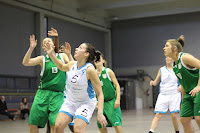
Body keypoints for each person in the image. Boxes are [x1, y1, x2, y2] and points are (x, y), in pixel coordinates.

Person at [43, 42, 107, 133]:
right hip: (70, 102)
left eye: (80, 47)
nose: (76, 48)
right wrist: (51, 54)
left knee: (78, 130)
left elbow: (100, 93)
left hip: (85, 103)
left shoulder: (90, 69)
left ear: (86, 54)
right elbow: (61, 66)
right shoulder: (72, 64)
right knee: (58, 126)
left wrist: (100, 114)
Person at [22, 28, 69, 133]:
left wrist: (57, 37)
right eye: (44, 42)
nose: (46, 42)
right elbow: (25, 62)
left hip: (57, 95)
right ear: (43, 47)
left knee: (55, 125)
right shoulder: (42, 59)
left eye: (49, 41)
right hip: (42, 93)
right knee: (33, 123)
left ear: (53, 45)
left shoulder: (62, 56)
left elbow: (71, 65)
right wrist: (31, 48)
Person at [163, 35, 200, 133]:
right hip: (188, 93)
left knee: (198, 118)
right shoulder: (175, 66)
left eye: (166, 46)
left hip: (198, 90)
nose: (164, 48)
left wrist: (199, 86)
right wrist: (183, 101)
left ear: (174, 48)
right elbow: (183, 83)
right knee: (184, 120)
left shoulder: (185, 57)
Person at [148, 57, 181, 133]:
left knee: (174, 115)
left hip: (174, 94)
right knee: (158, 114)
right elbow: (156, 81)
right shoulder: (161, 70)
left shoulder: (177, 69)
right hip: (163, 94)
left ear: (173, 59)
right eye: (167, 57)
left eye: (170, 57)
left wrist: (181, 86)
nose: (168, 59)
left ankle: (177, 131)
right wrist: (153, 82)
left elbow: (182, 80)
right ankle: (151, 131)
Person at [94, 50, 123, 133]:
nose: (97, 60)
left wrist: (117, 99)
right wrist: (95, 101)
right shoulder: (94, 73)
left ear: (103, 60)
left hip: (111, 101)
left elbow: (117, 85)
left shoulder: (108, 71)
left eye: (99, 58)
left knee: (117, 124)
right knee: (101, 124)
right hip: (101, 103)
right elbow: (93, 89)